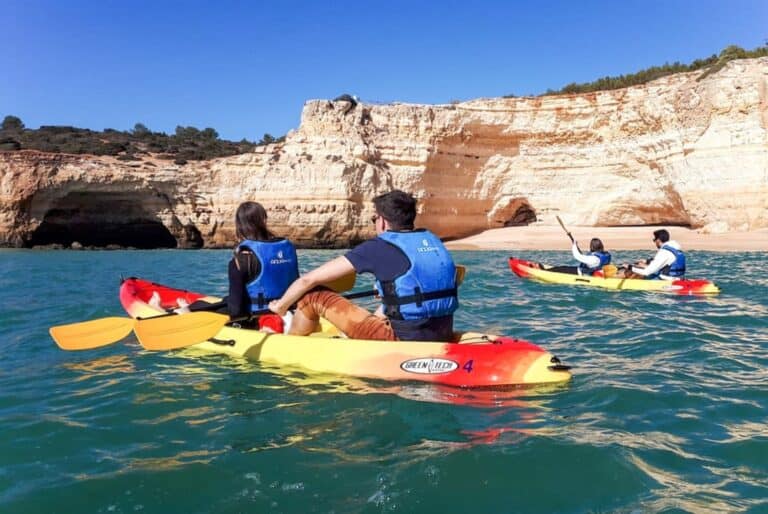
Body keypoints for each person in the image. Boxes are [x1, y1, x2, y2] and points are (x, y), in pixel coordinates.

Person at [268, 190, 459, 342]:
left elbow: (309, 279)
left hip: (402, 338)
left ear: (383, 221)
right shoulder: (432, 241)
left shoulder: (379, 246)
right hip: (442, 332)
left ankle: (292, 342)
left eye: (374, 219)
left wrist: (281, 306)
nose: (375, 224)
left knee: (313, 295)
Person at [176, 201, 299, 331]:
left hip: (257, 315)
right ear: (264, 220)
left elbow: (236, 311)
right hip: (289, 308)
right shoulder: (287, 249)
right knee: (221, 302)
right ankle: (193, 307)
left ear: (239, 226)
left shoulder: (241, 261)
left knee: (220, 306)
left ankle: (185, 312)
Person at [547, 238, 612, 276]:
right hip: (592, 272)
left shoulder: (594, 259)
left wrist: (574, 245)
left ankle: (545, 271)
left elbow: (577, 256)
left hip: (581, 273)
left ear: (592, 247)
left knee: (561, 269)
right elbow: (584, 257)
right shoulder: (605, 255)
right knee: (563, 267)